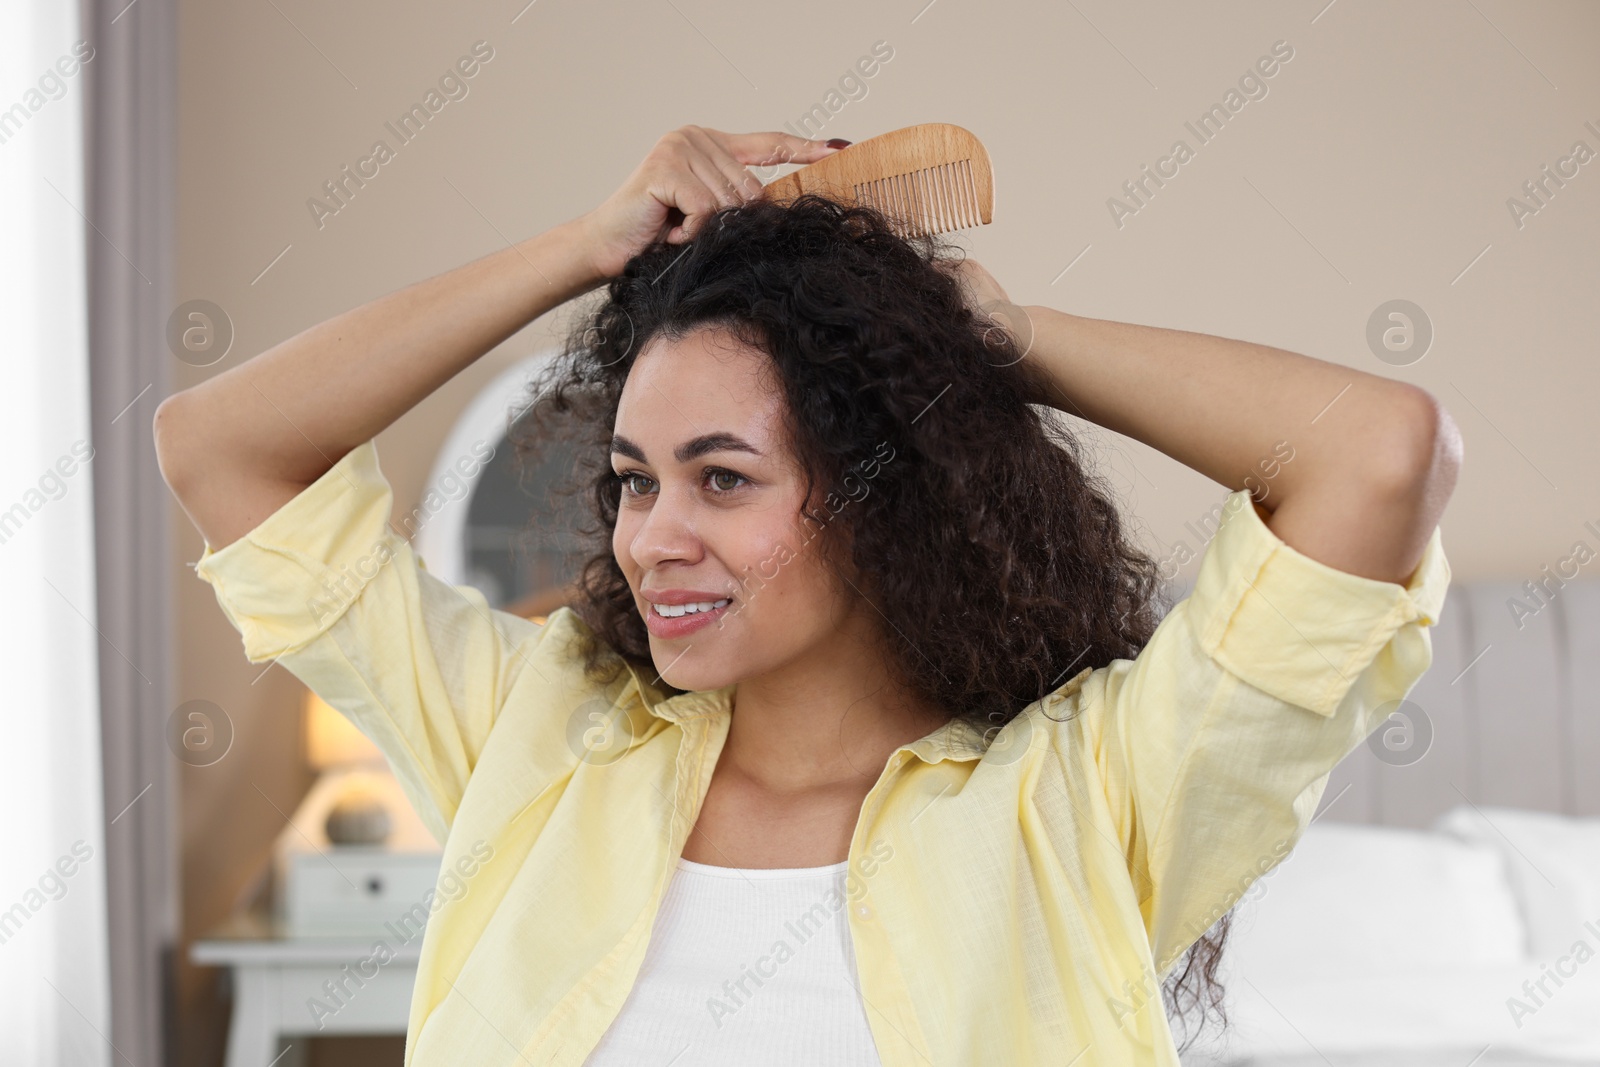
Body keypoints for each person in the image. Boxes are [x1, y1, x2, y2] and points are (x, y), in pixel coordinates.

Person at [154, 125, 1459, 1066]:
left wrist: (987, 342)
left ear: (888, 491)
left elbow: (1378, 451)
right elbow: (218, 444)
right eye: (633, 481)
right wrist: (578, 252)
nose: (652, 536)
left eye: (722, 481)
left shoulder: (1088, 796)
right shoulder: (539, 740)